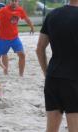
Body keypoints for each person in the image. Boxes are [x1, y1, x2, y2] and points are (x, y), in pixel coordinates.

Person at [36, 0, 78, 131]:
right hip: (73, 78)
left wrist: (46, 72)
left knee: (51, 129)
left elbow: (39, 48)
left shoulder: (52, 14)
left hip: (53, 77)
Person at [0, 0, 34, 76]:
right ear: (9, 2)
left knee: (22, 55)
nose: (14, 2)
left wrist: (31, 27)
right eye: (12, 1)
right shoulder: (4, 10)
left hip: (14, 38)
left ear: (18, 2)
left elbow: (26, 19)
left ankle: (21, 75)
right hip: (3, 39)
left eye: (15, 1)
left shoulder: (20, 10)